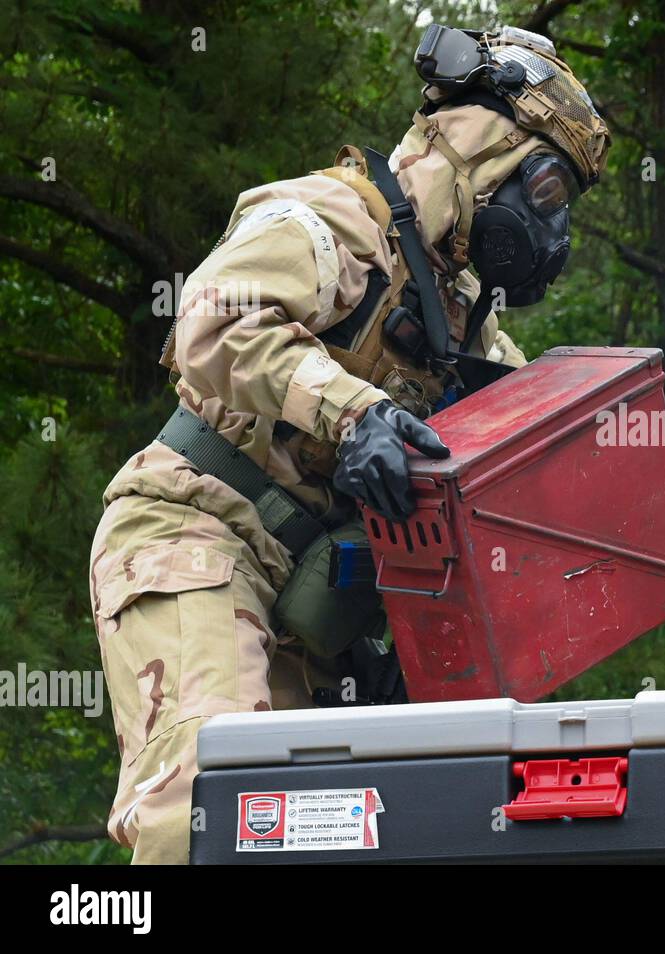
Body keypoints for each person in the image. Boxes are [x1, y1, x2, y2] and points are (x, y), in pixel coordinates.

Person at [87, 24, 610, 864]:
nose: (554, 231)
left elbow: (513, 446)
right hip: (198, 537)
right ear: (488, 147)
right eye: (547, 190)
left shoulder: (461, 308)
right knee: (207, 812)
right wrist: (355, 413)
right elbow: (214, 319)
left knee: (324, 841)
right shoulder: (331, 219)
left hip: (316, 605)